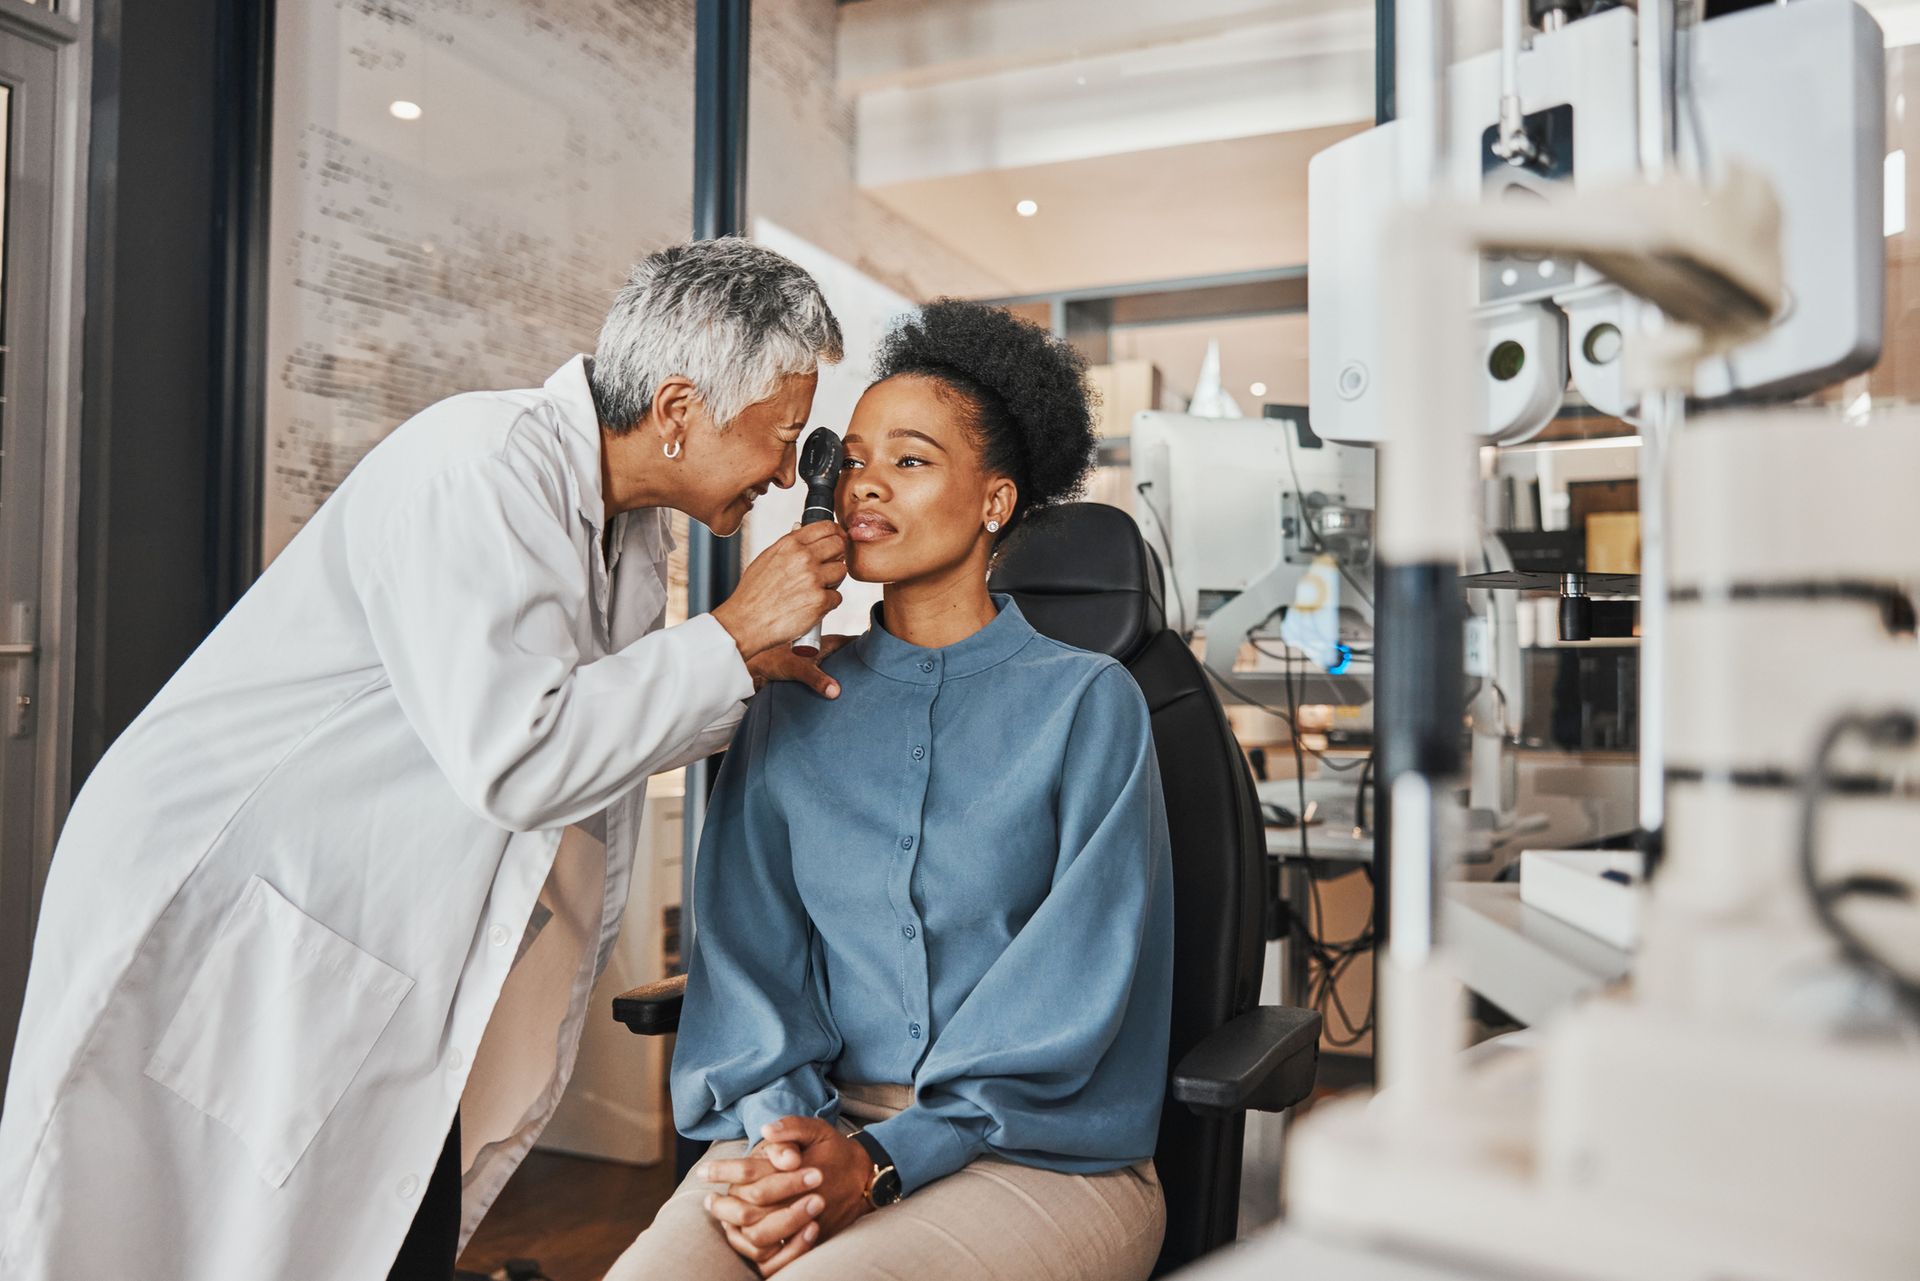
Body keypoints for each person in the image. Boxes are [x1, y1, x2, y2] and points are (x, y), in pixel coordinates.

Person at [0, 238, 854, 1281]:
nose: (782, 470)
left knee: (366, 1213)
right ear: (677, 411)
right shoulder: (480, 467)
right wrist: (727, 635)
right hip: (233, 897)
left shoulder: (626, 532)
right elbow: (521, 755)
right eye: (779, 436)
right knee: (168, 1232)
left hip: (348, 920)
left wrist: (747, 665)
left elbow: (604, 724)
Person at [606, 300, 1175, 1281]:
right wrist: (789, 1143)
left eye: (910, 461)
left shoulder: (1089, 706)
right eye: (854, 459)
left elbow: (1070, 996)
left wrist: (875, 1160)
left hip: (1034, 1150)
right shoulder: (788, 699)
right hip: (801, 1125)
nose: (865, 486)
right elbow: (750, 964)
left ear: (996, 502)